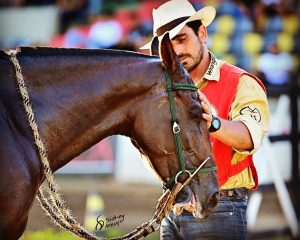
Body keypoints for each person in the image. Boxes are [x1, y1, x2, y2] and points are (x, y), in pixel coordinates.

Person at [140, 0, 270, 239]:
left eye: (181, 39)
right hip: (173, 208)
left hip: (220, 206)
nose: (176, 51)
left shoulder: (241, 82)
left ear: (202, 33)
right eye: (168, 45)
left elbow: (250, 137)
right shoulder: (161, 90)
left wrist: (215, 123)